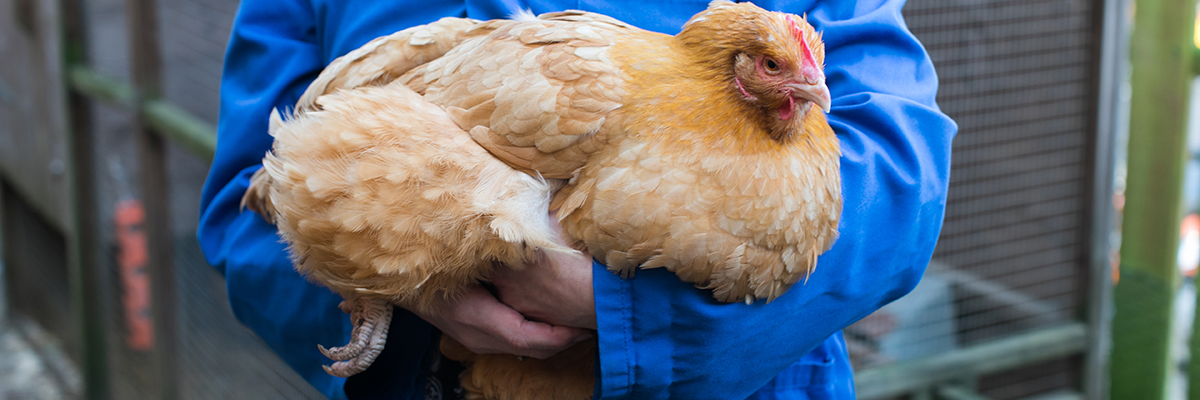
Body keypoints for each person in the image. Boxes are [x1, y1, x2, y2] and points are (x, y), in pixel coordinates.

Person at [197, 0, 957, 398]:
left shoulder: (776, 58)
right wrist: (389, 289)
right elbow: (247, 200)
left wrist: (632, 315)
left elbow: (904, 171)